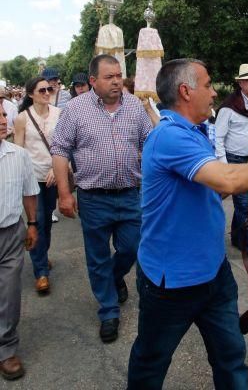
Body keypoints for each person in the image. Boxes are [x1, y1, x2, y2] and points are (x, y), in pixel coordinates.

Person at [128, 58, 248, 389]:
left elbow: (213, 191)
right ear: (185, 91)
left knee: (231, 357)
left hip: (213, 275)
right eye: (207, 85)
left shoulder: (192, 133)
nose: (214, 91)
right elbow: (227, 182)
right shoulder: (169, 137)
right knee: (151, 363)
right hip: (171, 283)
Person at [51, 54, 153, 343]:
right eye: (109, 77)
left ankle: (114, 277)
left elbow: (152, 143)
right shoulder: (75, 110)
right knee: (97, 257)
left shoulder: (134, 106)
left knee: (131, 248)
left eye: (119, 75)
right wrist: (64, 193)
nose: (117, 81)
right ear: (93, 81)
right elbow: (60, 150)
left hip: (130, 195)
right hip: (93, 198)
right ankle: (108, 311)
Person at [0, 104, 39, 380]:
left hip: (11, 232)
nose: (4, 121)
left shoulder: (19, 155)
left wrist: (33, 223)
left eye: (3, 114)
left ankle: (6, 349)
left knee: (9, 294)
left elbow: (29, 192)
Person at [215, 63, 248, 265]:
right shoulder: (229, 107)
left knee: (247, 204)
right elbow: (218, 138)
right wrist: (224, 164)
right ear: (240, 83)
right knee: (244, 205)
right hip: (235, 161)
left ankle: (238, 237)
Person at [14, 77, 60, 294]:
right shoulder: (22, 118)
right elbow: (19, 150)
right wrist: (20, 177)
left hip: (52, 176)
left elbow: (63, 145)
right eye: (42, 90)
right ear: (31, 94)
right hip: (31, 178)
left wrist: (56, 168)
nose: (47, 92)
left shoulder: (59, 114)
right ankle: (41, 271)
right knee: (38, 220)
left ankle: (42, 255)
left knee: (48, 222)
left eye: (49, 89)